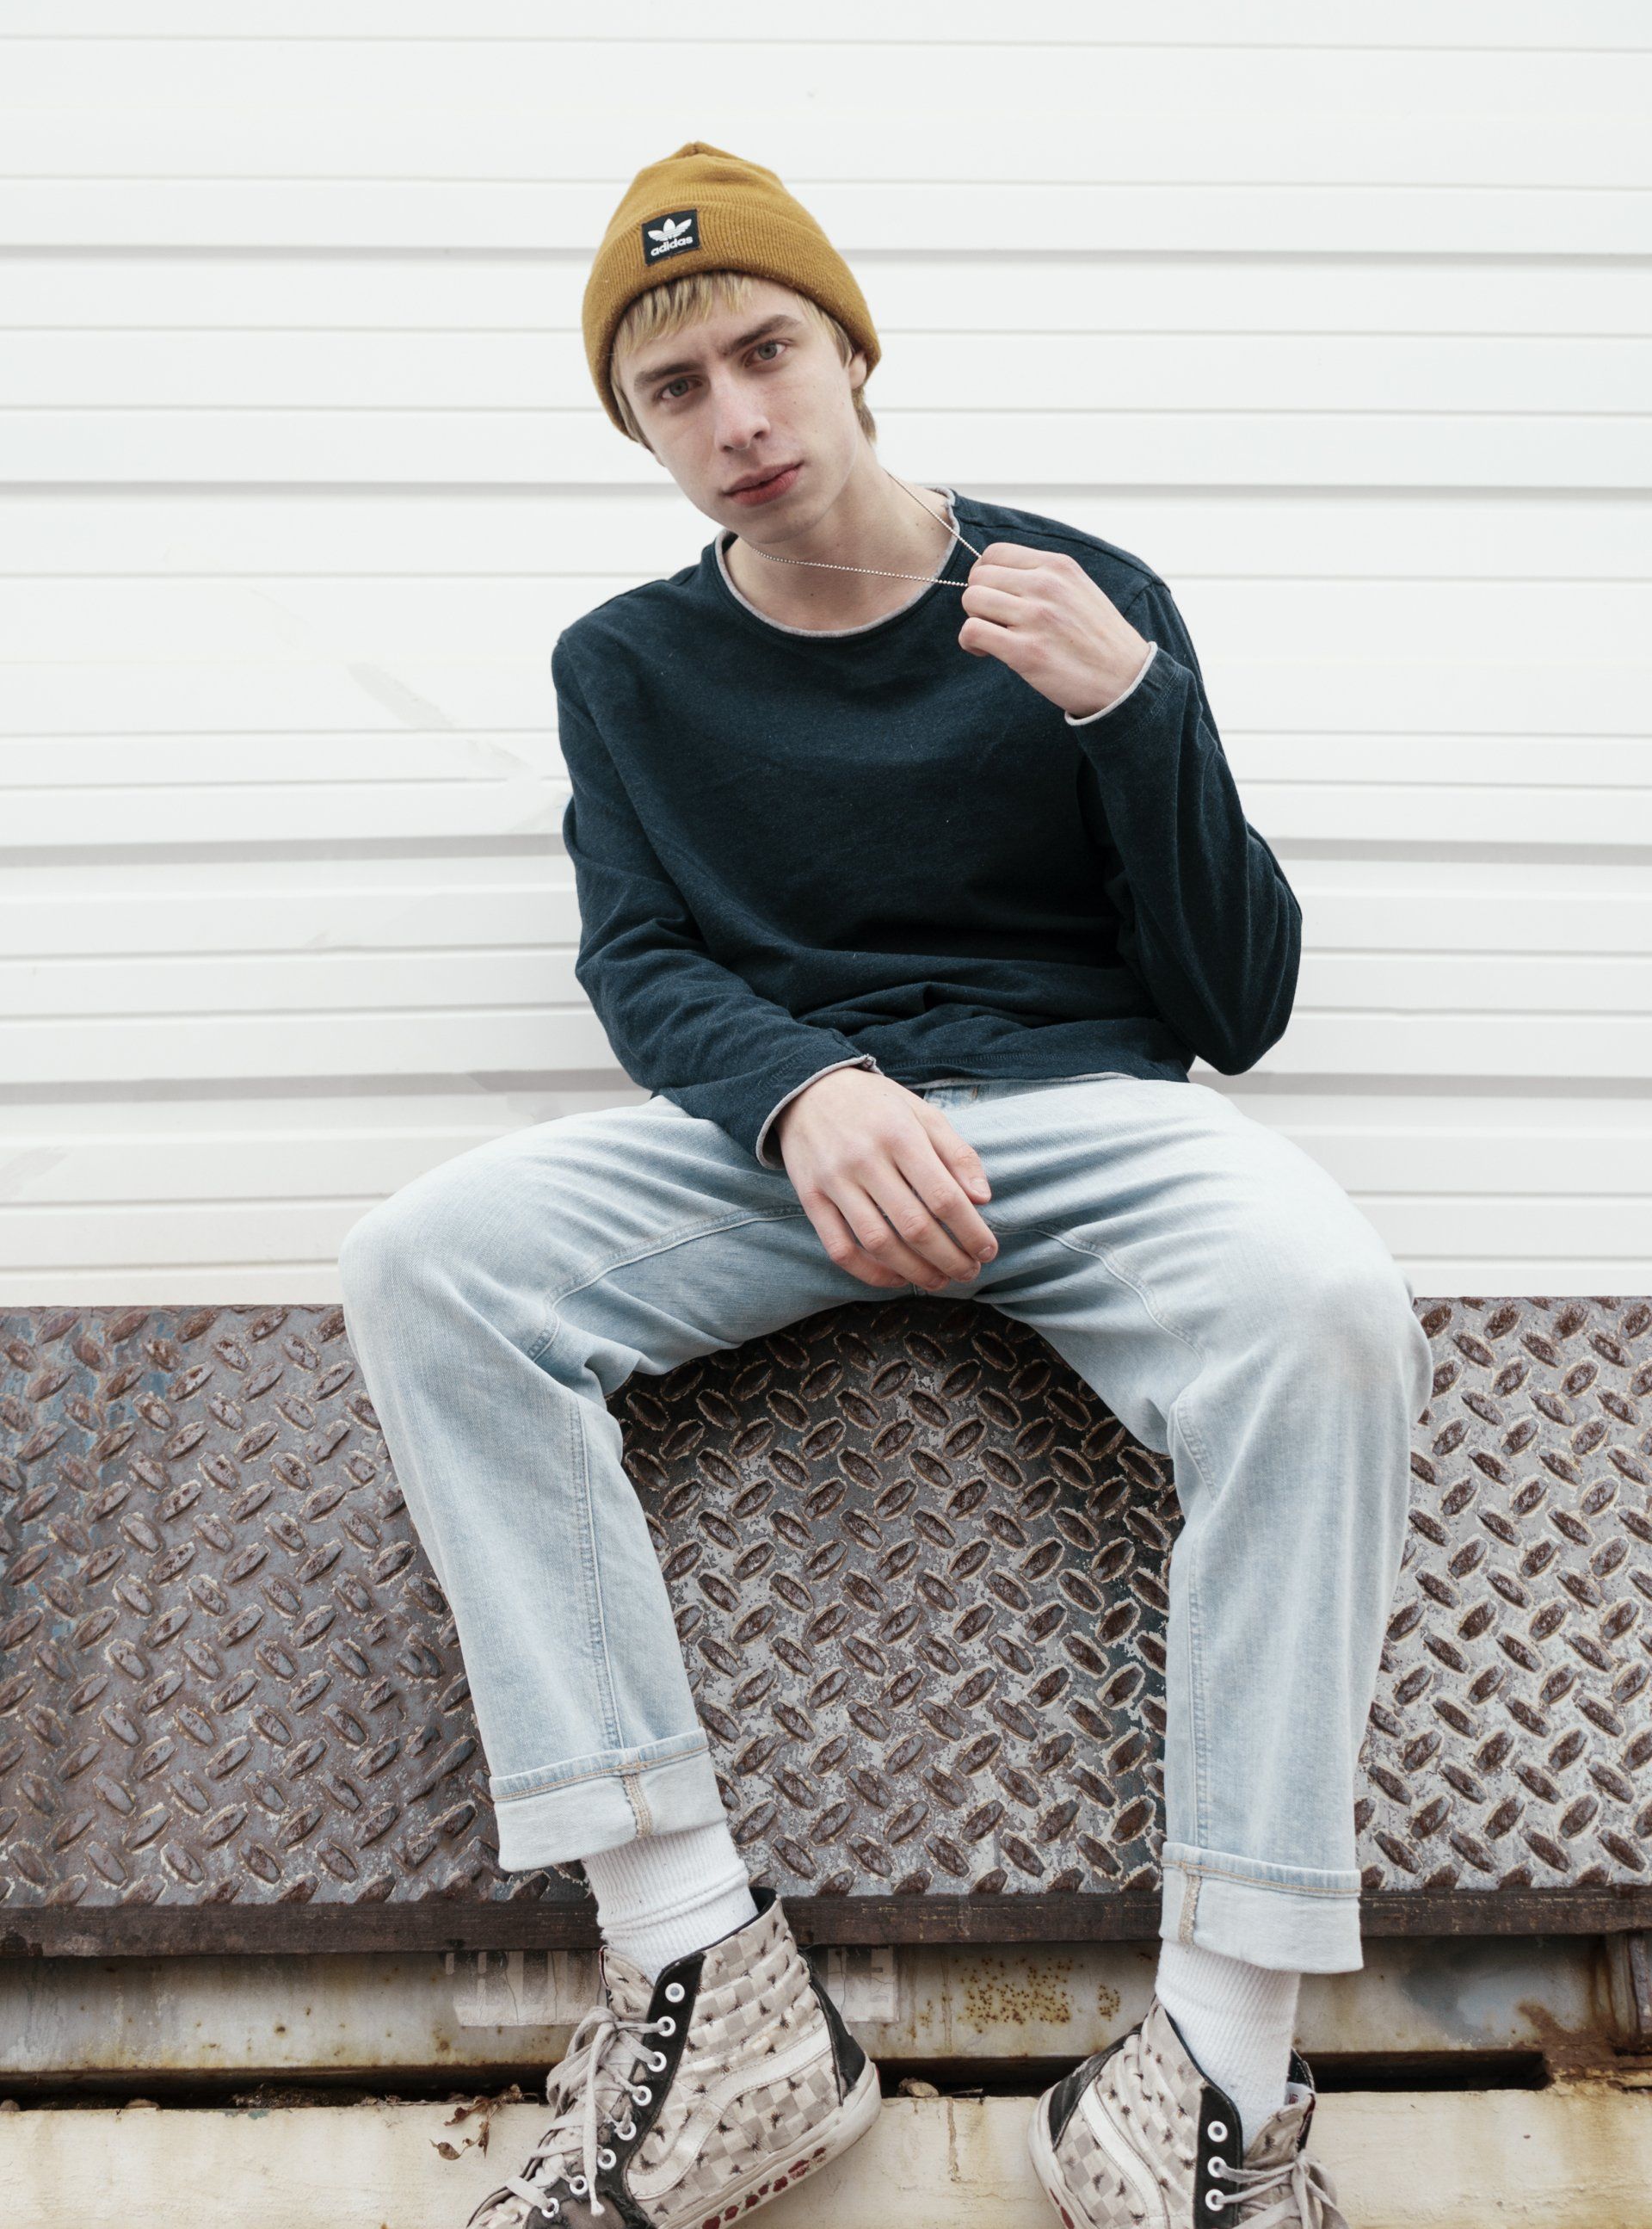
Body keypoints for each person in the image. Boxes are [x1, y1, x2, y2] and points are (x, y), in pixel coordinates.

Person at [336, 139, 1432, 2229]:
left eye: (766, 352)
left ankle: (1212, 2061)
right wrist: (798, 1091)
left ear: (851, 349)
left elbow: (1237, 998)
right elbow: (643, 961)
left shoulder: (1071, 589)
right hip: (788, 1147)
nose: (736, 418)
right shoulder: (625, 668)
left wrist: (1135, 714)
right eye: (675, 390)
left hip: (1083, 1122)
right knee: (433, 1263)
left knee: (1330, 1313)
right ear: (639, 427)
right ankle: (699, 1968)